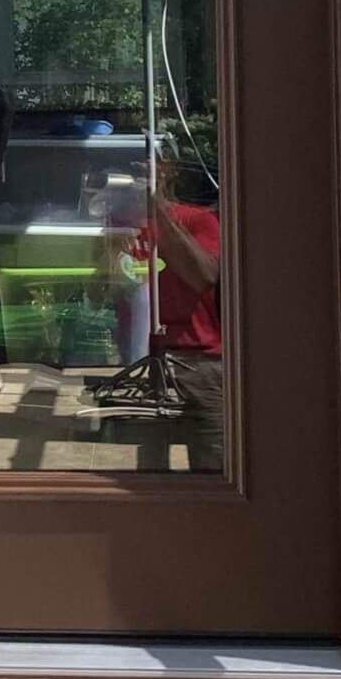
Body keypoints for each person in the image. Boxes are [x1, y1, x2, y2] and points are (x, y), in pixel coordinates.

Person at [108, 156, 223, 471]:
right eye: (132, 168)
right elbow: (97, 292)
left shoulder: (196, 219)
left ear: (169, 170)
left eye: (146, 167)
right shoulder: (120, 224)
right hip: (139, 362)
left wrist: (156, 207)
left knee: (213, 468)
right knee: (142, 471)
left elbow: (204, 276)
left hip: (198, 362)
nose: (138, 174)